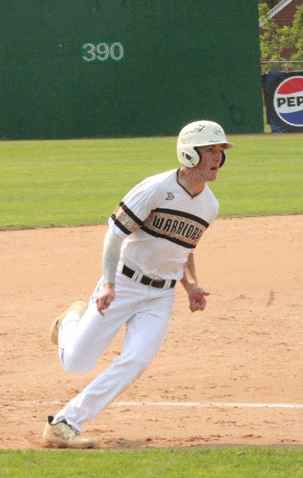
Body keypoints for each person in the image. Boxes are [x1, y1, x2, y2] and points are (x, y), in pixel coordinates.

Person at [43, 120, 233, 448]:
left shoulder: (209, 205)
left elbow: (184, 248)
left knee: (136, 361)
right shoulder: (155, 188)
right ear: (189, 154)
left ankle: (66, 422)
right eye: (210, 150)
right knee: (76, 363)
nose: (217, 158)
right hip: (123, 284)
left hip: (160, 296)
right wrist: (107, 285)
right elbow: (115, 233)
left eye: (220, 151)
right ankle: (69, 322)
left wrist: (191, 286)